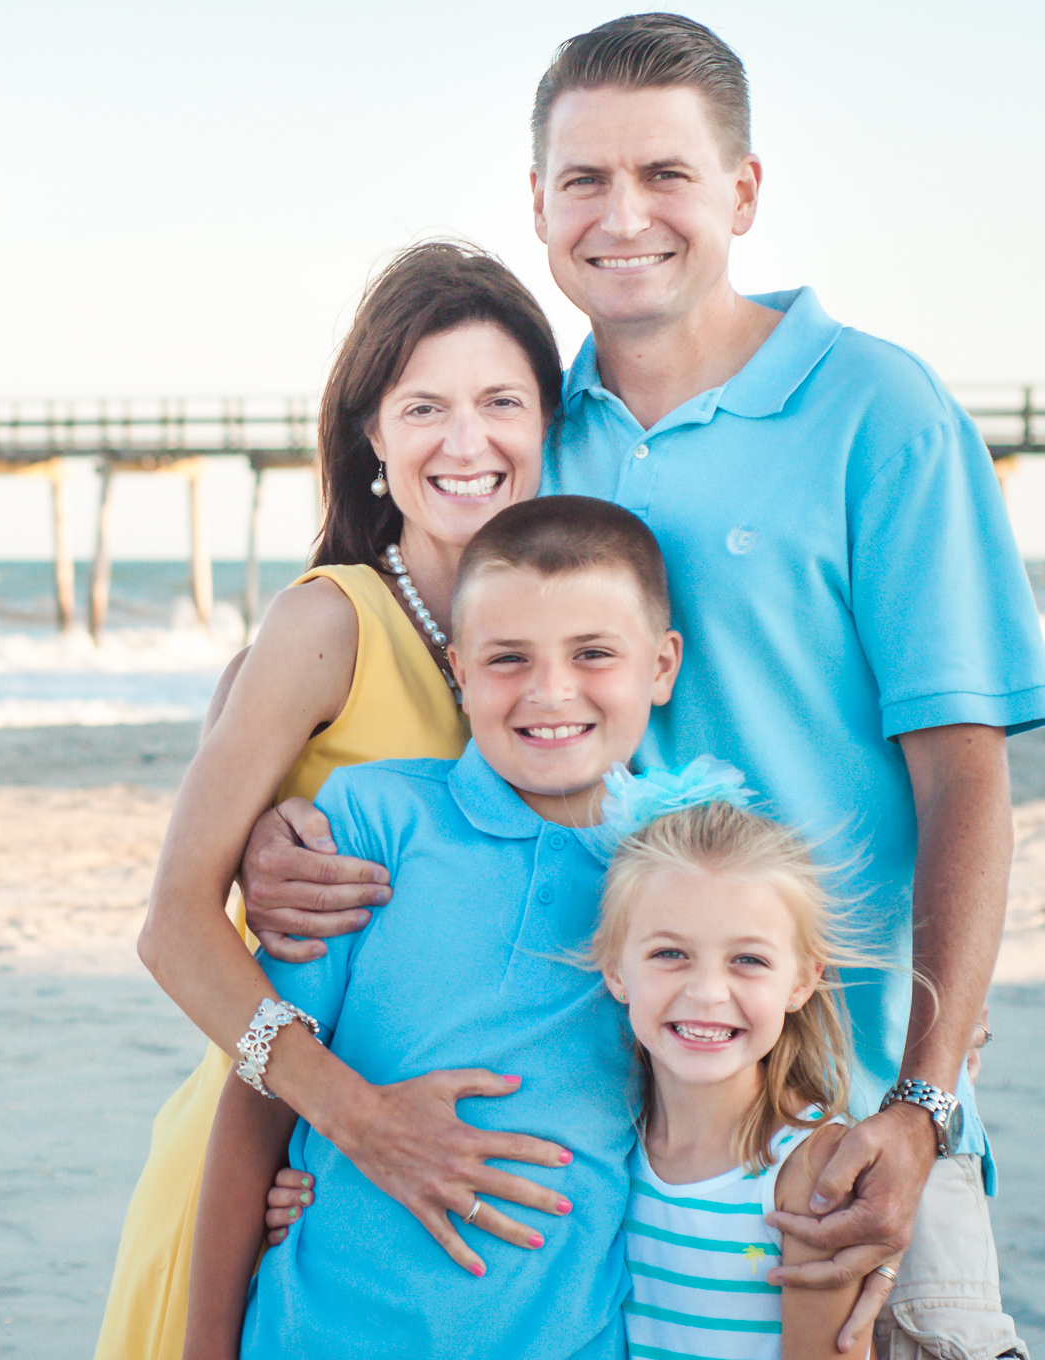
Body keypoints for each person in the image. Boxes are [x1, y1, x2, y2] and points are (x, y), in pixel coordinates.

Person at [240, 16, 1045, 1354]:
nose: (625, 216)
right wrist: (287, 817)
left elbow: (966, 778)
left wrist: (925, 1109)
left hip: (844, 1106)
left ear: (742, 192)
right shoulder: (531, 439)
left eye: (665, 174)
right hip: (612, 1120)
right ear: (541, 208)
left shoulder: (880, 410)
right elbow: (416, 648)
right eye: (585, 181)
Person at [93, 240, 564, 1360]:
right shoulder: (327, 624)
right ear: (369, 434)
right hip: (257, 1180)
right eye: (422, 407)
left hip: (441, 1220)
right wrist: (353, 1122)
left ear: (548, 419)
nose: (465, 442)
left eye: (500, 400)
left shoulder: (560, 654)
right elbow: (172, 926)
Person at [183, 494, 682, 1359]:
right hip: (317, 1334)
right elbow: (258, 1088)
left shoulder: (683, 862)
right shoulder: (376, 821)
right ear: (457, 668)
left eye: (594, 654)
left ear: (662, 666)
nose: (549, 692)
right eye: (507, 659)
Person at [591, 778, 876, 1359]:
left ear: (801, 980)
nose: (707, 993)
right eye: (670, 954)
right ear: (615, 969)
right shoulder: (610, 1138)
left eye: (747, 960)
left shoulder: (810, 1167)